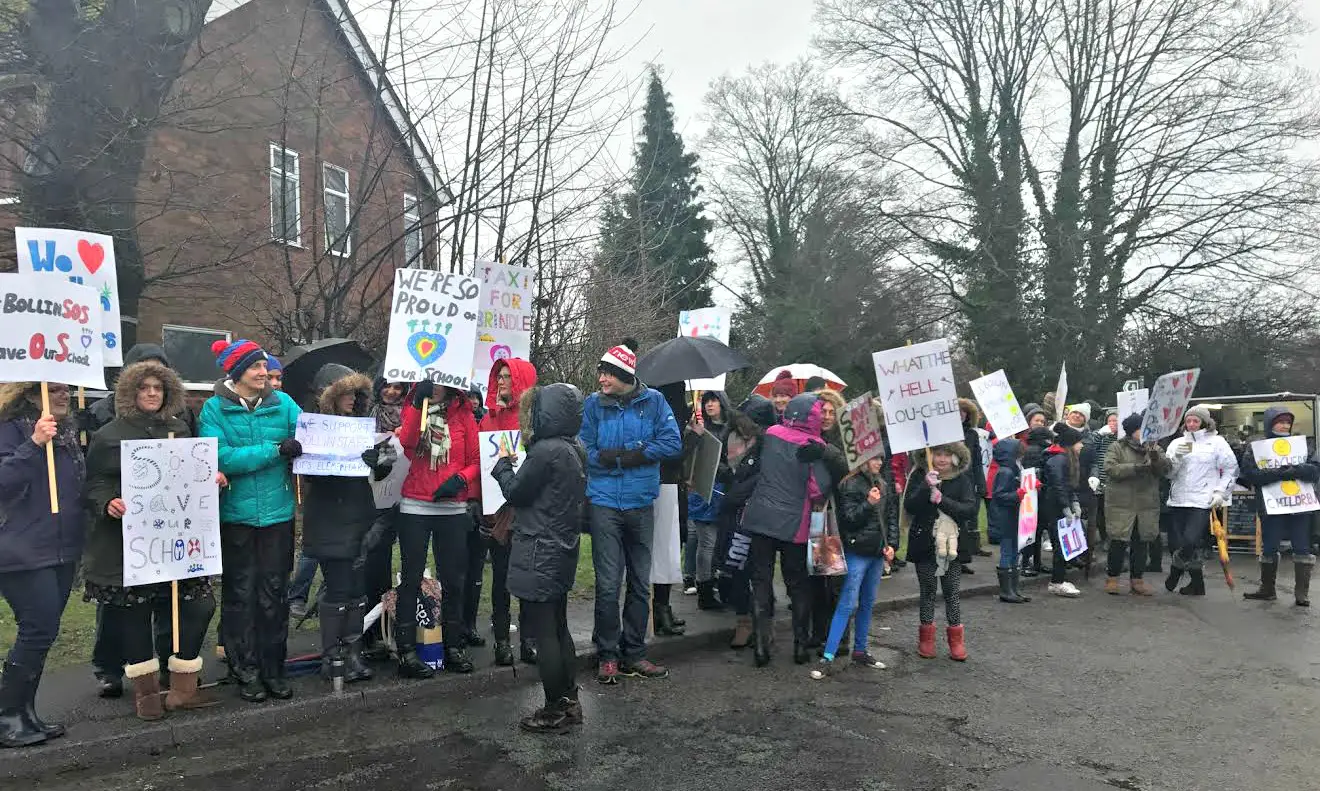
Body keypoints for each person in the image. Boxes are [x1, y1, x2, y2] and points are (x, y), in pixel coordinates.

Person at [82, 361, 222, 719]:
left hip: (176, 540)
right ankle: (147, 698)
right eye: (144, 387)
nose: (151, 393)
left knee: (198, 605)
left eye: (158, 388)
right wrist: (107, 502)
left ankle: (182, 689)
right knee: (135, 614)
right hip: (128, 545)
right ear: (131, 392)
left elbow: (189, 475)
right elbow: (95, 482)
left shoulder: (179, 428)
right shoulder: (110, 434)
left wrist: (212, 477)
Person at [199, 339, 302, 703]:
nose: (265, 373)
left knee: (274, 594)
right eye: (257, 367)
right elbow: (221, 457)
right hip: (237, 517)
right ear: (237, 372)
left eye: (264, 367)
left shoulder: (285, 404)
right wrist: (274, 451)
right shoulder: (214, 411)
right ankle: (245, 669)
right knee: (241, 595)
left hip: (277, 516)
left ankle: (274, 668)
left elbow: (307, 436)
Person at [580, 341, 682, 684]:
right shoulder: (593, 405)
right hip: (604, 503)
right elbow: (585, 449)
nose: (602, 379)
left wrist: (631, 455)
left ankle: (634, 652)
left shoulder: (654, 402)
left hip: (641, 502)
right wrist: (611, 458)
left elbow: (672, 442)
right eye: (601, 372)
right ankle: (607, 654)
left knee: (640, 583)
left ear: (624, 375)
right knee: (609, 584)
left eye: (607, 373)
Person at [491, 383, 587, 733]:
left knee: (544, 632)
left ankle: (552, 710)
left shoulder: (546, 451)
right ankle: (570, 701)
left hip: (539, 548)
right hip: (561, 547)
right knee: (559, 629)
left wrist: (502, 467)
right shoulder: (575, 448)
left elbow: (517, 492)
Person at [0, 382, 85, 747]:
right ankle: (6, 715)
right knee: (37, 627)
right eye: (56, 389)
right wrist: (33, 444)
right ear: (31, 393)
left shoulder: (67, 432)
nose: (64, 395)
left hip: (62, 547)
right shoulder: (10, 429)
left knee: (44, 631)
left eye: (67, 389)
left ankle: (24, 712)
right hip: (21, 549)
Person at [301, 368, 393, 686]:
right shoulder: (311, 427)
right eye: (347, 393)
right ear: (330, 396)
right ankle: (332, 655)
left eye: (357, 394)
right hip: (329, 519)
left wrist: (380, 462)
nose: (353, 399)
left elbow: (380, 473)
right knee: (338, 589)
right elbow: (309, 475)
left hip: (359, 517)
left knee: (357, 590)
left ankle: (352, 652)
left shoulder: (363, 429)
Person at [739, 393, 836, 667]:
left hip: (760, 518)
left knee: (760, 580)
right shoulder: (814, 444)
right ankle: (800, 646)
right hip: (795, 524)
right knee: (798, 584)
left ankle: (760, 646)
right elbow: (818, 490)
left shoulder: (770, 434)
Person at [394, 379, 481, 677]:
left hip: (452, 506)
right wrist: (418, 404)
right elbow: (407, 443)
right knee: (411, 577)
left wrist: (462, 479)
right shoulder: (414, 404)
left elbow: (476, 459)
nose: (437, 385)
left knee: (454, 580)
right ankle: (406, 650)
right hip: (416, 503)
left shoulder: (464, 413)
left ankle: (452, 645)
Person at [474, 357, 541, 666]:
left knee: (527, 579)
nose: (500, 382)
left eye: (506, 377)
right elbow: (481, 463)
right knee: (500, 579)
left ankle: (529, 640)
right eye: (498, 377)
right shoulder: (487, 419)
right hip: (497, 512)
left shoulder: (534, 421)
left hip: (527, 512)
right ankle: (502, 640)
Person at [811, 456, 895, 679]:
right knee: (847, 603)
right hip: (858, 552)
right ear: (864, 459)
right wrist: (868, 503)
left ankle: (860, 650)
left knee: (867, 602)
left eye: (881, 459)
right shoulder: (850, 484)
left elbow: (891, 518)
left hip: (877, 552)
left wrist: (893, 545)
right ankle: (828, 656)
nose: (879, 463)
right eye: (875, 458)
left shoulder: (883, 483)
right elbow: (848, 519)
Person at [904, 442, 976, 661]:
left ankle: (956, 639)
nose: (942, 459)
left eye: (947, 454)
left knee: (951, 592)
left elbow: (970, 509)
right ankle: (926, 637)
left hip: (951, 547)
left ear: (955, 457)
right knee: (927, 591)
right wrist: (926, 486)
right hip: (924, 543)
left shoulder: (961, 479)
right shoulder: (920, 475)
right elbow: (910, 506)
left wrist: (942, 500)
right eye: (937, 454)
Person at [1241, 406, 1318, 605]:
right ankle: (1267, 588)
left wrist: (1295, 469)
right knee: (1270, 546)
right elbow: (1249, 474)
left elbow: (1315, 470)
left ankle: (1302, 593)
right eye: (1280, 422)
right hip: (1271, 504)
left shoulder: (1303, 445)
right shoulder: (1256, 447)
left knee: (1302, 547)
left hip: (1300, 505)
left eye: (1287, 422)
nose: (1284, 426)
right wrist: (1277, 473)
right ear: (1269, 423)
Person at [1163, 405, 1238, 596]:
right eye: (1188, 421)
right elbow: (1169, 475)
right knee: (1181, 543)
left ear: (1204, 422)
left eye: (1195, 421)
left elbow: (1231, 468)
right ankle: (1197, 585)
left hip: (1202, 500)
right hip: (1179, 499)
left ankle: (1175, 570)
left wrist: (1221, 492)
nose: (1191, 424)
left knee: (1190, 540)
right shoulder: (1177, 443)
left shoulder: (1217, 442)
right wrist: (1176, 458)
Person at [720, 398, 775, 649]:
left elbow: (764, 477)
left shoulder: (768, 446)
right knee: (735, 567)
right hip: (733, 514)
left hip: (759, 514)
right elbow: (722, 469)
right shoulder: (728, 439)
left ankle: (764, 623)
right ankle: (743, 620)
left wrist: (736, 493)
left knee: (761, 572)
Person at [360, 378, 406, 658]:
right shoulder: (368, 415)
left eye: (398, 387)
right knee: (374, 563)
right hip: (374, 499)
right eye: (387, 386)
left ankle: (390, 624)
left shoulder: (414, 415)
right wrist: (374, 459)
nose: (391, 392)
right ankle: (369, 627)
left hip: (405, 495)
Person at [1103, 413, 1170, 596]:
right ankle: (1112, 578)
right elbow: (1110, 468)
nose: (1145, 432)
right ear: (1132, 431)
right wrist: (1135, 468)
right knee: (1118, 542)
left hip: (1146, 504)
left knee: (1141, 544)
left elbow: (1164, 469)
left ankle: (1137, 580)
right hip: (1121, 504)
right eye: (1141, 429)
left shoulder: (1154, 448)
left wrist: (1155, 457)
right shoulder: (1117, 447)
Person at [809, 388, 850, 648]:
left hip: (834, 515)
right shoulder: (807, 437)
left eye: (831, 412)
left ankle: (841, 635)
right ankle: (819, 630)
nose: (826, 416)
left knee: (834, 576)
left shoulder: (845, 442)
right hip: (813, 514)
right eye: (821, 411)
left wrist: (826, 452)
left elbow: (847, 475)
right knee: (815, 577)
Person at [684, 391, 732, 597]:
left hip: (725, 491)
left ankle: (714, 580)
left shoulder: (732, 429)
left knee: (720, 542)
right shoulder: (700, 430)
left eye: (714, 400)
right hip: (704, 490)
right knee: (705, 542)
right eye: (706, 401)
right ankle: (702, 585)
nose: (710, 405)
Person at [1043, 422, 1084, 598]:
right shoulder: (1058, 460)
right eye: (1079, 442)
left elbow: (1068, 486)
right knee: (1060, 546)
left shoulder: (1066, 459)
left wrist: (1074, 502)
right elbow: (1058, 486)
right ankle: (1057, 582)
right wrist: (1066, 507)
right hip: (1055, 508)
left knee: (1064, 545)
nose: (1081, 446)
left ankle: (1059, 579)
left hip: (1060, 506)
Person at [988, 438, 1030, 604]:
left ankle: (1013, 589)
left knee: (1014, 551)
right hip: (1006, 518)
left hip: (1013, 516)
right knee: (1008, 551)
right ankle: (1007, 590)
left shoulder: (1013, 469)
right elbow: (999, 495)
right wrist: (1017, 495)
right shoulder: (1006, 471)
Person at [957, 399, 988, 574]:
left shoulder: (972, 434)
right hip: (949, 481)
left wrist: (981, 484)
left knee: (966, 520)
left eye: (964, 411)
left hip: (968, 482)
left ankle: (962, 559)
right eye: (958, 411)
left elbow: (977, 461)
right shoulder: (946, 434)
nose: (961, 414)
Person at [1019, 425, 1054, 576]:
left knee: (1034, 531)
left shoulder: (1029, 450)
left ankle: (1033, 562)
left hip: (1032, 495)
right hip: (1037, 495)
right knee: (1035, 531)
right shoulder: (1040, 452)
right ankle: (1029, 563)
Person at [1086, 410, 1120, 544]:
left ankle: (1114, 538)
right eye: (1110, 420)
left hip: (1115, 480)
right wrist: (1100, 434)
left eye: (1116, 420)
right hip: (1100, 478)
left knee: (1114, 511)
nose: (1113, 423)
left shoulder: (1122, 437)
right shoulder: (1099, 434)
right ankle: (1104, 537)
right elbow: (1089, 446)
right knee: (1100, 511)